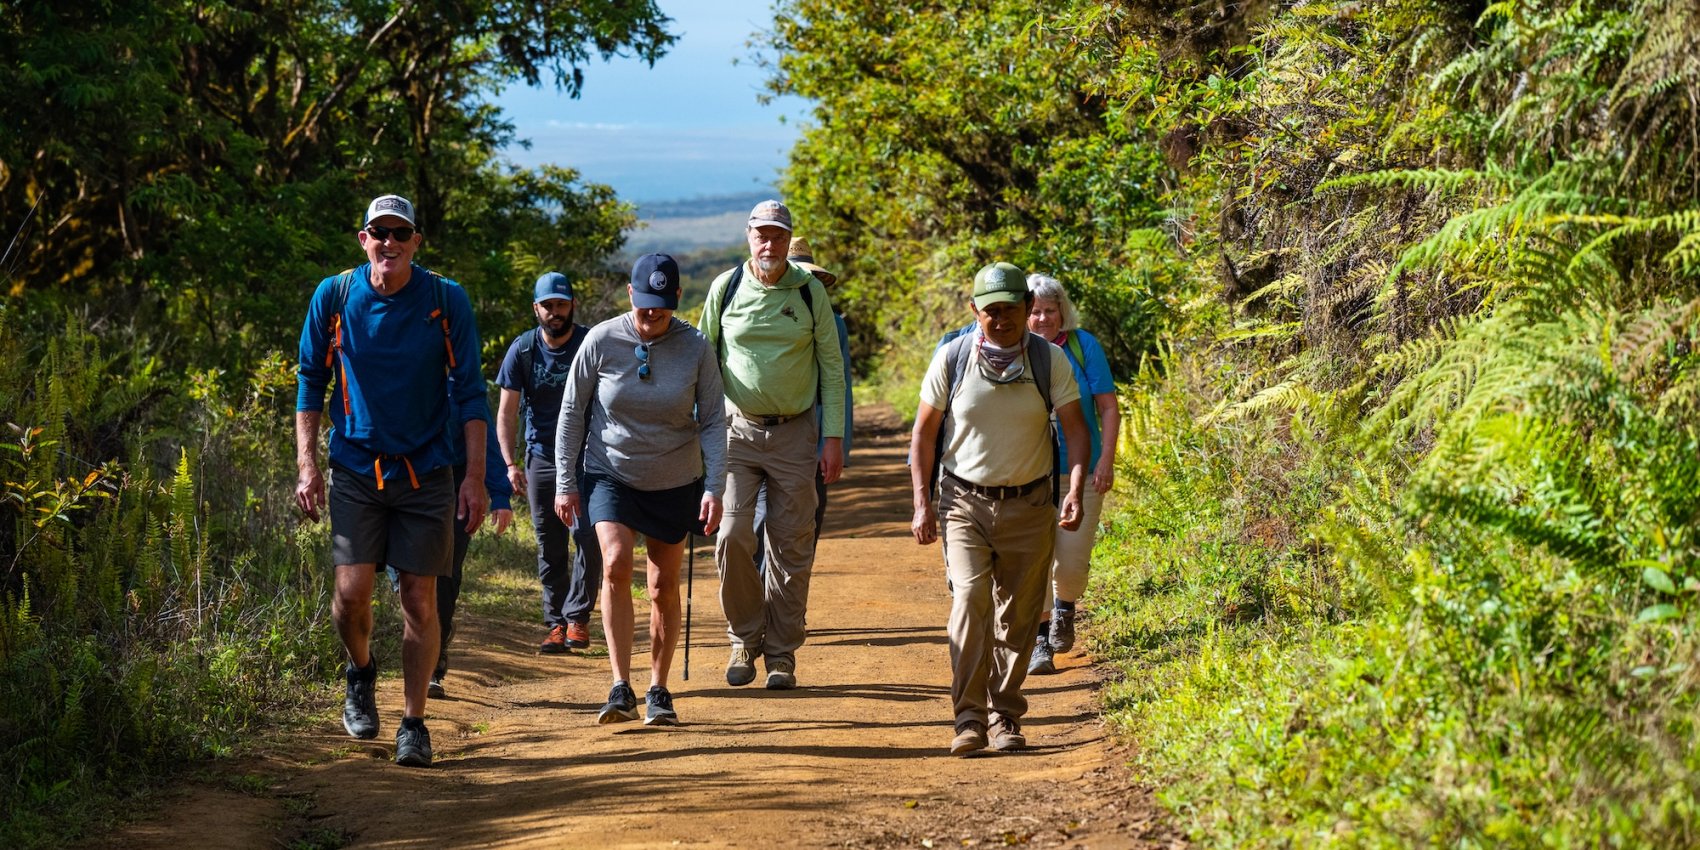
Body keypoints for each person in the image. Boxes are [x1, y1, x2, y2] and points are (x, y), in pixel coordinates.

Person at [295, 193, 489, 768]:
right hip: (355, 466)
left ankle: (413, 722)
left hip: (428, 470)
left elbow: (472, 392)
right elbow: (311, 382)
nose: (390, 244)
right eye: (379, 233)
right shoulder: (335, 296)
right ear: (364, 240)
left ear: (415, 243)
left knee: (419, 600)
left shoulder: (444, 299)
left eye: (400, 234)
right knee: (352, 595)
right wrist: (307, 465)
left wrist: (474, 477)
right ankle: (359, 672)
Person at [909, 261, 1089, 756]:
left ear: (1029, 308)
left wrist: (1072, 490)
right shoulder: (952, 357)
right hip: (964, 501)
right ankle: (968, 718)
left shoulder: (1049, 361)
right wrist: (922, 501)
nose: (1001, 319)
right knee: (969, 602)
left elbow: (1076, 430)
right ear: (974, 311)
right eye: (990, 311)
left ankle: (1004, 714)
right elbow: (924, 433)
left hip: (1030, 505)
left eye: (1010, 309)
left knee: (1020, 617)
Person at [555, 254, 726, 726]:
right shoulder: (602, 339)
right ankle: (619, 684)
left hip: (675, 479)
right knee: (613, 562)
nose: (652, 316)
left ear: (675, 301)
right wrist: (566, 482)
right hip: (610, 472)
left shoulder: (696, 347)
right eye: (645, 306)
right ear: (630, 295)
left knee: (661, 585)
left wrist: (715, 485)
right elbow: (572, 413)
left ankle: (658, 688)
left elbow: (713, 419)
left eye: (662, 308)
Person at [700, 201, 846, 690]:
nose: (769, 244)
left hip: (796, 433)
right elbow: (704, 362)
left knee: (790, 544)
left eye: (778, 236)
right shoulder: (726, 288)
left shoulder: (808, 293)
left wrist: (833, 438)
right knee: (732, 535)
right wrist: (693, 434)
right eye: (762, 235)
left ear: (788, 241)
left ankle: (782, 653)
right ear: (748, 236)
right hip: (735, 431)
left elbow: (832, 366)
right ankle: (744, 637)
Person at [496, 272, 604, 654]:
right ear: (536, 308)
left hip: (589, 457)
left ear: (572, 305)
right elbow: (506, 413)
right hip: (540, 456)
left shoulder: (592, 343)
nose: (555, 312)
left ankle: (578, 619)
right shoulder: (523, 350)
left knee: (589, 537)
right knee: (550, 543)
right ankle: (555, 623)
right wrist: (510, 464)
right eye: (548, 306)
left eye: (561, 304)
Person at [1023, 273, 1119, 675]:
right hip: (1028, 472)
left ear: (1062, 311)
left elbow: (1108, 408)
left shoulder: (1083, 347)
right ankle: (1040, 638)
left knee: (1072, 561)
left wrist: (1106, 460)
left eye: (1050, 310)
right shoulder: (1017, 351)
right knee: (1034, 559)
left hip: (1080, 469)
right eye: (1036, 311)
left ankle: (1066, 606)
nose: (1043, 318)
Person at [386, 424, 513, 700]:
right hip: (392, 471)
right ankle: (426, 634)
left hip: (453, 479)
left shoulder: (457, 380)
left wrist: (500, 494)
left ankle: (433, 662)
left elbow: (480, 426)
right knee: (408, 576)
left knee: (444, 575)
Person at [753, 237, 853, 560]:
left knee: (804, 527)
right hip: (764, 436)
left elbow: (839, 385)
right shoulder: (758, 317)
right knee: (758, 523)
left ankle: (789, 608)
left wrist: (834, 444)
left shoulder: (832, 324)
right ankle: (760, 603)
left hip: (811, 440)